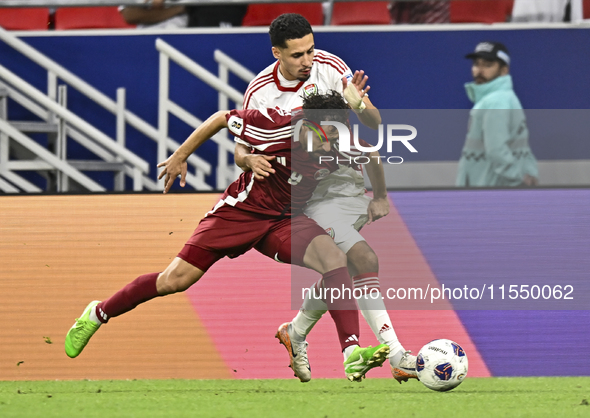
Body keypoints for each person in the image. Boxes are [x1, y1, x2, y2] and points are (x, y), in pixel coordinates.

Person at [64, 91, 389, 383]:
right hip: (239, 214)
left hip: (286, 219)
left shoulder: (340, 141)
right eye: (324, 134)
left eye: (336, 133)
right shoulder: (276, 125)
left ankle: (351, 353)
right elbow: (222, 119)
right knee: (173, 281)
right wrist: (181, 155)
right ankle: (98, 313)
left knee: (335, 259)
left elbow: (372, 156)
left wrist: (380, 197)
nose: (329, 142)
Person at [236, 13, 418, 384]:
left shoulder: (332, 67)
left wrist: (360, 105)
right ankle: (396, 354)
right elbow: (241, 150)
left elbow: (373, 126)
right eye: (298, 55)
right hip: (304, 192)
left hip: (344, 181)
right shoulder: (259, 92)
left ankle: (296, 331)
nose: (308, 61)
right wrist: (249, 159)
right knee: (362, 258)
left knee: (346, 269)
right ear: (277, 53)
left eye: (311, 50)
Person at [456, 41, 539, 187]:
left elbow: (496, 150)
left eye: (488, 65)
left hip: (489, 190)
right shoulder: (503, 98)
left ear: (504, 70)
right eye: (476, 64)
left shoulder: (496, 102)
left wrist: (519, 178)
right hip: (492, 187)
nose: (479, 70)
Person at [119, 0, 188, 29]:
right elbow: (130, 15)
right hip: (147, 37)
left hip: (184, 36)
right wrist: (178, 9)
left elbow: (192, 7)